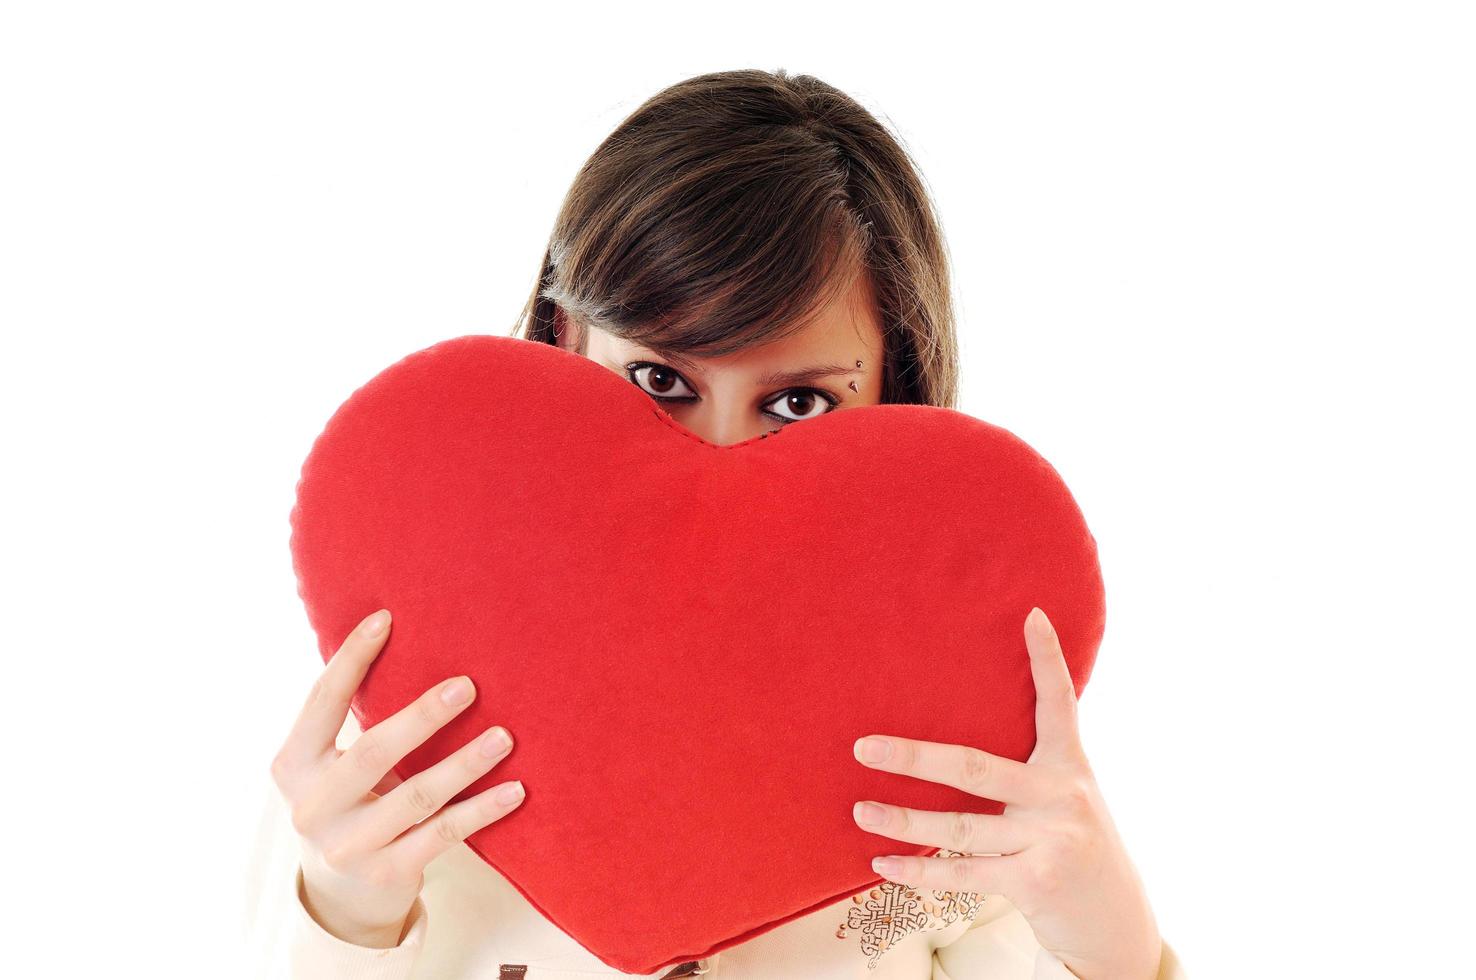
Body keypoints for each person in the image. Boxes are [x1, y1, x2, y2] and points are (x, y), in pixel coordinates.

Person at [246, 68, 1189, 979]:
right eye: (661, 379)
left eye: (801, 403)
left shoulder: (944, 774)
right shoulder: (403, 729)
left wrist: (1117, 953)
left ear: (896, 399)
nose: (723, 456)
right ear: (560, 340)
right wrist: (344, 916)